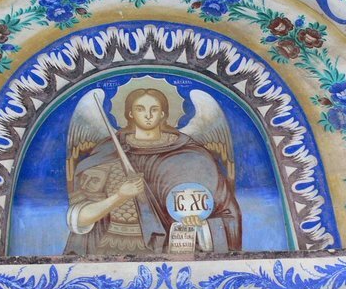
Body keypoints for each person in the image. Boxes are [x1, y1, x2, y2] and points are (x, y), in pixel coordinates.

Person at [65, 88, 241, 255]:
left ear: (163, 113)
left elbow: (225, 212)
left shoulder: (190, 155)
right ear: (130, 114)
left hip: (172, 252)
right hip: (112, 248)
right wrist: (120, 196)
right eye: (140, 109)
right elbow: (79, 218)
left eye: (154, 109)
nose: (148, 115)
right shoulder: (109, 151)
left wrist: (200, 224)